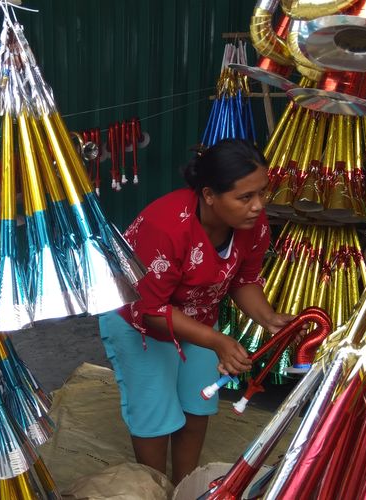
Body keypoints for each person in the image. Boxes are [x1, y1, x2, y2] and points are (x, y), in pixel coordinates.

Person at [98, 138, 294, 485]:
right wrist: (217, 341)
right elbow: (150, 308)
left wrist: (269, 319)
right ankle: (155, 489)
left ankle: (185, 487)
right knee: (156, 415)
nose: (258, 206)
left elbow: (244, 279)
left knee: (196, 407)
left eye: (262, 193)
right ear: (208, 195)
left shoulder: (254, 225)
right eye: (245, 197)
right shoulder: (167, 226)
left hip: (200, 319)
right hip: (139, 323)